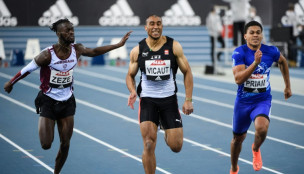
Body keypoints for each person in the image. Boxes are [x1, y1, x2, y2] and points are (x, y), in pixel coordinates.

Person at [3, 18, 131, 174]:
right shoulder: (47, 55)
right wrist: (11, 82)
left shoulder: (77, 49)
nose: (71, 32)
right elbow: (27, 69)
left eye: (72, 29)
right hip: (48, 100)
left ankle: (56, 172)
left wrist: (118, 45)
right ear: (58, 34)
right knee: (46, 144)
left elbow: (95, 51)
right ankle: (48, 119)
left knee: (65, 143)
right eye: (67, 30)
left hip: (67, 100)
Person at [126, 15, 193, 174]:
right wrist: (133, 91)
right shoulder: (138, 50)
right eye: (151, 24)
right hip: (148, 100)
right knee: (149, 143)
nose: (155, 27)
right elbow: (130, 75)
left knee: (176, 146)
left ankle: (165, 127)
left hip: (169, 101)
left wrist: (188, 99)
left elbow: (187, 71)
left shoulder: (174, 46)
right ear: (146, 27)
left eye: (158, 24)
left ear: (162, 26)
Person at [230, 21, 292, 174]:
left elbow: (283, 62)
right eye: (252, 32)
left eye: (258, 32)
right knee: (238, 139)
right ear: (245, 36)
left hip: (262, 100)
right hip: (243, 102)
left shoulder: (271, 51)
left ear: (262, 34)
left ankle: (256, 148)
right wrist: (255, 63)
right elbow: (238, 79)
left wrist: (287, 86)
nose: (256, 35)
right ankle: (233, 167)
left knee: (262, 128)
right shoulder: (240, 53)